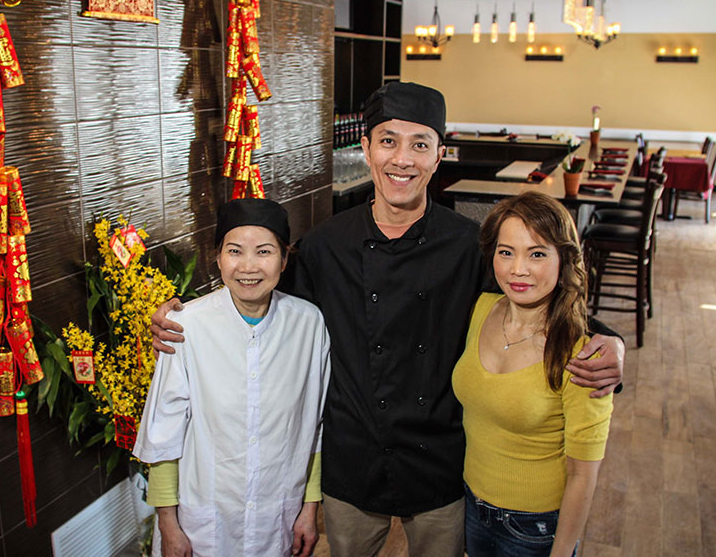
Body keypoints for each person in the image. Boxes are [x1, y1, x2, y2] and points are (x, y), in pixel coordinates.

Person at [152, 82, 624, 557]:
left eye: (420, 144)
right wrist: (184, 315)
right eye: (388, 141)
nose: (402, 159)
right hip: (352, 464)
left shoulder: (469, 246)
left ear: (439, 156)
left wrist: (609, 340)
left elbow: (536, 299)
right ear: (366, 148)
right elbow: (255, 291)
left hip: (440, 462)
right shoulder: (324, 246)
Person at [133, 198, 331, 557]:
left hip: (277, 518)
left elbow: (313, 426)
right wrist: (168, 523)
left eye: (264, 252)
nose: (248, 267)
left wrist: (309, 508)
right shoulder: (185, 326)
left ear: (284, 260)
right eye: (235, 251)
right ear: (218, 258)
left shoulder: (309, 324)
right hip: (202, 526)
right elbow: (164, 433)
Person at [454, 192, 613, 556]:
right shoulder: (480, 309)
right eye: (506, 252)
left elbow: (583, 475)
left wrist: (562, 552)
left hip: (535, 527)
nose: (518, 269)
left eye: (537, 254)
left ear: (564, 259)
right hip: (472, 506)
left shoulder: (583, 354)